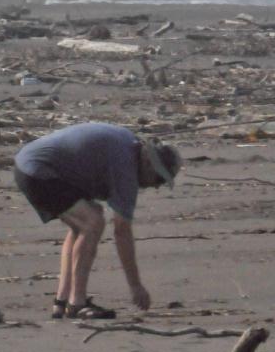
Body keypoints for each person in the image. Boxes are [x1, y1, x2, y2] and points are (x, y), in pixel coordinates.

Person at [13, 122, 181, 320]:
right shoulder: (126, 168)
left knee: (83, 222)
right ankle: (77, 303)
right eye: (159, 179)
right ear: (149, 163)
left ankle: (62, 301)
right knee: (92, 223)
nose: (155, 187)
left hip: (28, 163)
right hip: (37, 171)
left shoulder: (129, 144)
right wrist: (135, 286)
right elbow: (121, 231)